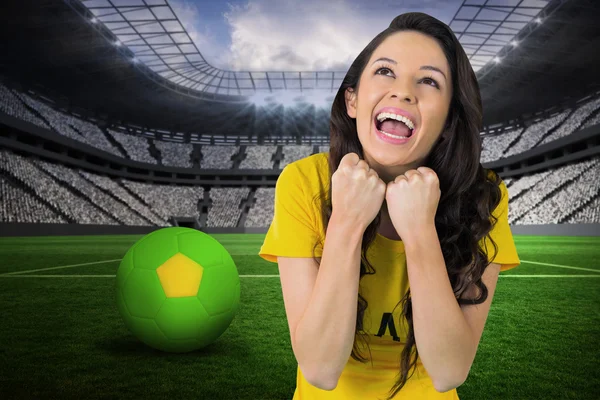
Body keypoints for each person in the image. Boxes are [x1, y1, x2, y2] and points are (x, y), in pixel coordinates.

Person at [258, 12, 520, 400]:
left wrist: (419, 231)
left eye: (429, 81)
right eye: (385, 71)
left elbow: (449, 371)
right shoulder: (303, 183)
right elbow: (319, 367)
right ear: (352, 99)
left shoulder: (482, 195)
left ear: (448, 121)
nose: (404, 92)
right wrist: (346, 222)